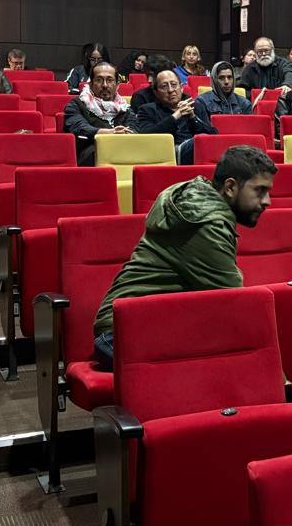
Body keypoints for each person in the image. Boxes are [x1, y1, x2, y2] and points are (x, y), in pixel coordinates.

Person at [92, 145, 276, 370]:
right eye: (259, 191)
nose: (267, 201)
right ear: (230, 187)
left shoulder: (199, 205)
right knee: (224, 361)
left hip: (137, 327)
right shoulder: (204, 225)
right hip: (120, 337)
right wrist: (280, 379)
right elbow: (234, 303)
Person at [135, 68, 217, 165]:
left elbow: (213, 134)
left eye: (174, 85)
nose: (170, 90)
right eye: (164, 86)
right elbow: (145, 135)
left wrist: (193, 117)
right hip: (167, 153)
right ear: (156, 92)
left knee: (207, 141)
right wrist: (176, 116)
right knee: (200, 141)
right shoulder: (147, 110)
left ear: (181, 88)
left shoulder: (195, 106)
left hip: (196, 151)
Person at [63, 62, 132, 166]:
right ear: (91, 84)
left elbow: (135, 128)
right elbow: (79, 127)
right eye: (99, 80)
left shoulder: (124, 107)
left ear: (117, 85)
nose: (105, 85)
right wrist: (107, 133)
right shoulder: (77, 104)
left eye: (110, 80)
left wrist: (126, 134)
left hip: (125, 155)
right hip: (91, 158)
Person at [194, 61, 253, 125]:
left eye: (229, 77)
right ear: (214, 80)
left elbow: (248, 129)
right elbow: (202, 129)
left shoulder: (245, 104)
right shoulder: (202, 102)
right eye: (221, 78)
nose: (226, 82)